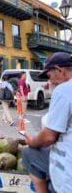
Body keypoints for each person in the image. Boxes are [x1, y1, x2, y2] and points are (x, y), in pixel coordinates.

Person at [22, 52, 72, 193]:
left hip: (68, 179)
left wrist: (32, 141)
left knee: (29, 153)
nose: (50, 82)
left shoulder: (64, 90)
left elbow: (49, 137)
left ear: (60, 71)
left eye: (50, 76)